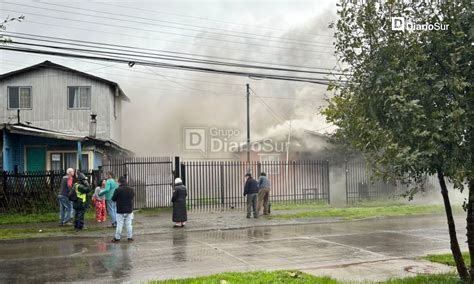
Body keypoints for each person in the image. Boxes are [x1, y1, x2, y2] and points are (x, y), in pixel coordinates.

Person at [111, 176, 135, 242]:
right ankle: (130, 237)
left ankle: (117, 238)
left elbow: (113, 199)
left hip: (120, 210)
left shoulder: (118, 190)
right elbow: (132, 197)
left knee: (119, 225)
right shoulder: (131, 189)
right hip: (129, 210)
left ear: (119, 182)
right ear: (126, 181)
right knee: (129, 224)